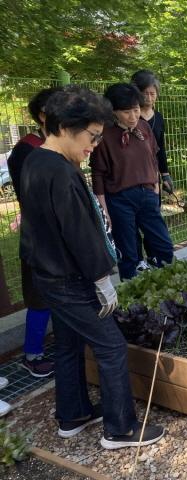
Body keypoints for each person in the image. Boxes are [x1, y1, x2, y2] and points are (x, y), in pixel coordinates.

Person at [19, 85, 164, 448]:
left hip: (49, 274)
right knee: (112, 347)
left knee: (68, 344)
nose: (95, 145)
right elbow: (80, 232)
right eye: (92, 136)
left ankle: (74, 414)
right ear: (67, 126)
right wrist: (102, 279)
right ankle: (121, 429)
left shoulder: (36, 161)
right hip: (71, 278)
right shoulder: (62, 173)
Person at [90, 83, 174, 280]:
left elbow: (153, 156)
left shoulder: (144, 127)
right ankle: (132, 298)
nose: (133, 116)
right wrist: (104, 208)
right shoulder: (105, 135)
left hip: (147, 195)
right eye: (126, 112)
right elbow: (98, 174)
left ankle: (170, 285)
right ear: (113, 112)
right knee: (128, 252)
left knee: (163, 245)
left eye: (136, 110)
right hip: (119, 200)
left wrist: (154, 184)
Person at [7, 87, 60, 378]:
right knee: (38, 295)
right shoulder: (26, 151)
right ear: (43, 115)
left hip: (61, 232)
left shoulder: (59, 145)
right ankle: (33, 354)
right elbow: (32, 196)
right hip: (39, 235)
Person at [131, 70, 173, 273]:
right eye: (145, 93)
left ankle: (154, 256)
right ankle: (137, 261)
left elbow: (161, 148)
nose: (149, 97)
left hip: (152, 175)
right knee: (132, 223)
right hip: (131, 176)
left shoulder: (158, 117)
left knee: (152, 217)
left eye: (152, 93)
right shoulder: (131, 116)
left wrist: (165, 174)